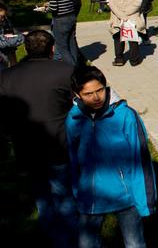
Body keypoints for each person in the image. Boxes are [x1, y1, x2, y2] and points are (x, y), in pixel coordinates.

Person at [0, 30, 79, 247]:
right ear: (53, 49)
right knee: (64, 197)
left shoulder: (7, 76)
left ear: (26, 48)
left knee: (42, 197)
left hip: (26, 147)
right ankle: (69, 241)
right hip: (58, 144)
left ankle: (53, 238)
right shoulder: (66, 71)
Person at [65, 66, 156, 248]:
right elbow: (72, 157)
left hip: (125, 196)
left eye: (99, 90)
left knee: (134, 242)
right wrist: (76, 189)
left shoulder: (125, 115)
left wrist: (145, 201)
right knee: (87, 243)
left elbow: (141, 159)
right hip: (90, 196)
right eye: (88, 93)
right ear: (77, 95)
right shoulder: (73, 119)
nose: (96, 97)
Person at [109, 0, 144, 67]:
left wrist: (121, 14)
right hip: (131, 18)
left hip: (118, 18)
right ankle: (134, 60)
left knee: (118, 38)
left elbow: (111, 4)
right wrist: (127, 12)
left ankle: (119, 59)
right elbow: (138, 2)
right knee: (133, 40)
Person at [48, 0, 80, 66]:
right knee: (71, 44)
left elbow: (53, 8)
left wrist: (46, 9)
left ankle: (73, 68)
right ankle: (76, 63)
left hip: (60, 19)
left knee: (62, 47)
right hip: (71, 17)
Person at [0, 1, 24, 69]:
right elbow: (4, 42)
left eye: (4, 17)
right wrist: (22, 37)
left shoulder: (5, 22)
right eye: (1, 17)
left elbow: (9, 41)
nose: (2, 19)